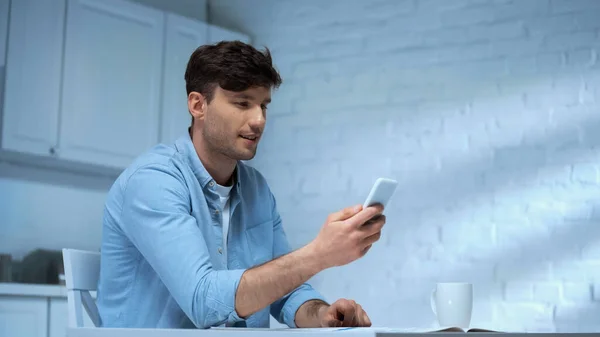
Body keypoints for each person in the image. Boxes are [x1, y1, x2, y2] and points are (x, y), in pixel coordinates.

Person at [96, 40, 386, 329]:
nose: (259, 120)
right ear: (198, 105)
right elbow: (203, 301)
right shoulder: (153, 181)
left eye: (263, 105)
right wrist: (319, 254)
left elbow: (287, 293)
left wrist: (324, 315)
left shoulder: (256, 189)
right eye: (242, 103)